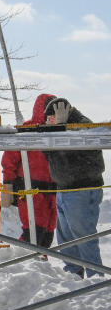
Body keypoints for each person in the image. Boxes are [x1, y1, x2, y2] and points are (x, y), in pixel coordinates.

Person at [43, 97, 105, 277]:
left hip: (82, 190)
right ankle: (73, 275)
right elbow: (46, 150)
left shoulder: (84, 125)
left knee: (84, 237)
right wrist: (55, 130)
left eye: (50, 118)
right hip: (64, 189)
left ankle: (96, 278)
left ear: (61, 112)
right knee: (66, 238)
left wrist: (63, 129)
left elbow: (79, 151)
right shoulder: (57, 129)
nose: (48, 121)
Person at [1, 94, 57, 247]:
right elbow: (9, 159)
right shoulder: (27, 129)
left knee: (48, 234)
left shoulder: (57, 132)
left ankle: (40, 266)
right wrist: (7, 184)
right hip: (29, 189)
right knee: (34, 232)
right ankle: (23, 262)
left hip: (51, 191)